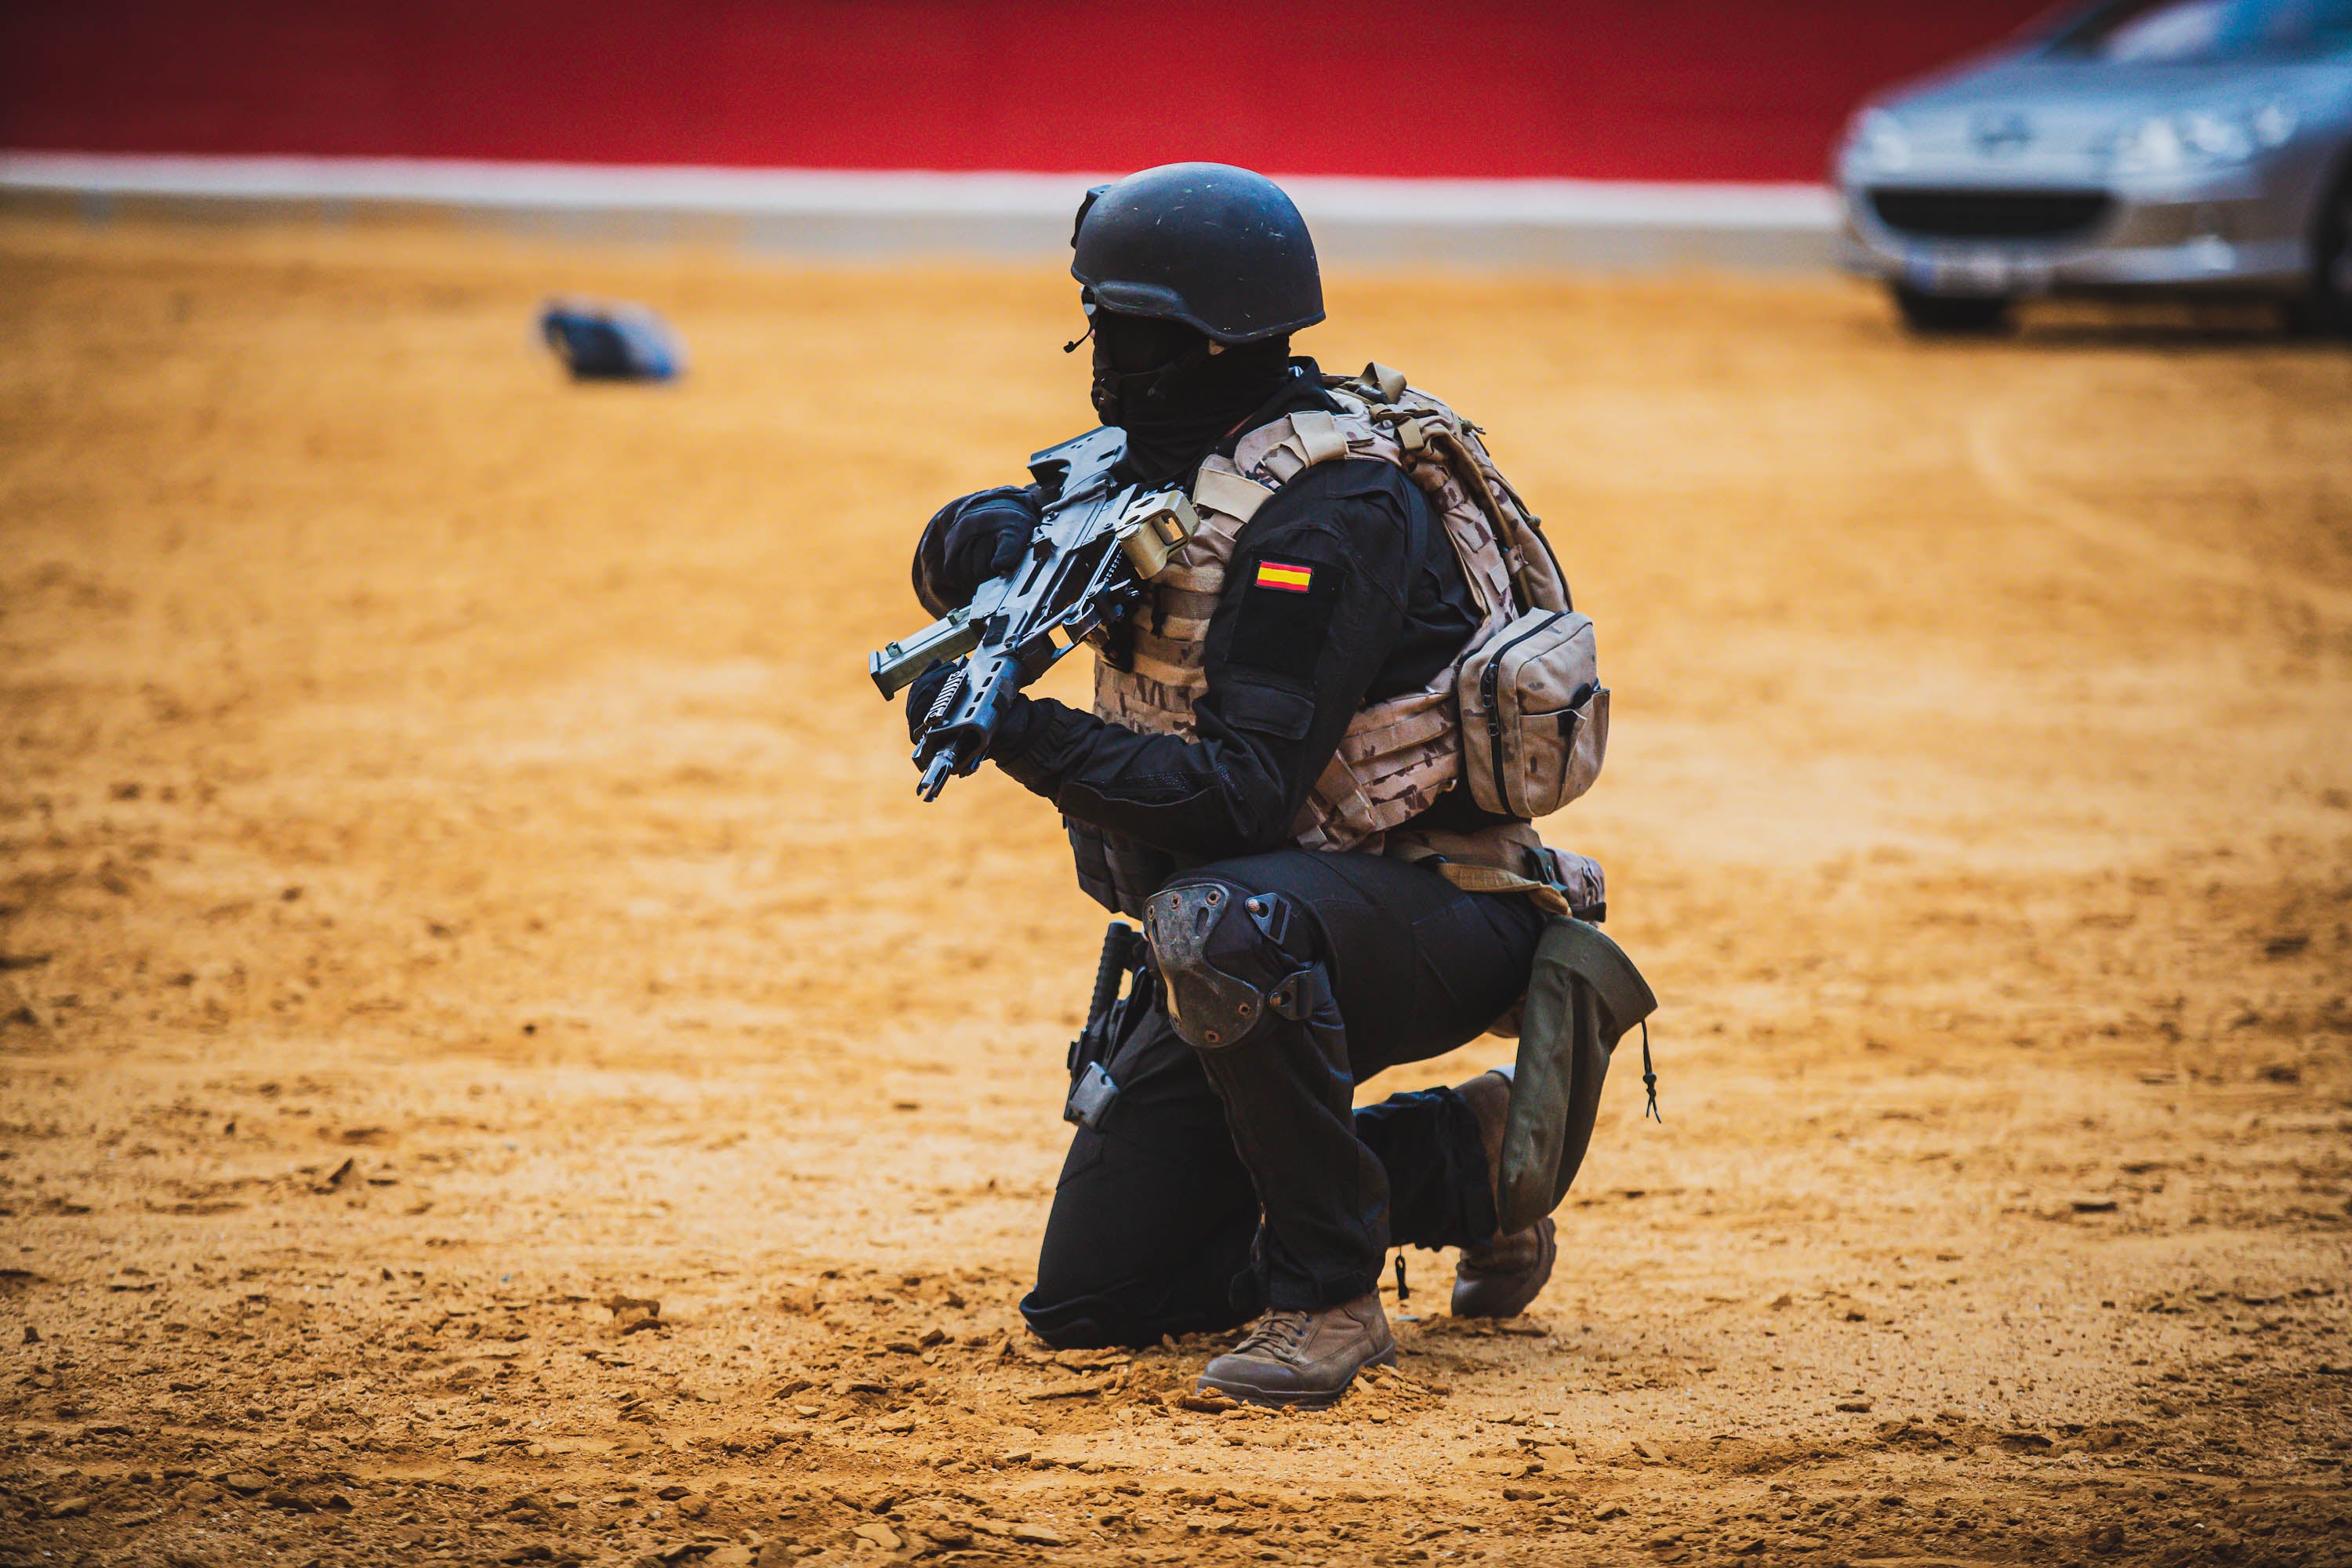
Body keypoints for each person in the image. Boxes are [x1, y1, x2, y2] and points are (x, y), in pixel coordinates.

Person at [902, 162, 1599, 1407]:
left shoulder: (1328, 514)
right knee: (1097, 1302)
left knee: (1217, 921)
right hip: (1270, 921)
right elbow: (956, 539)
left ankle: (1326, 1297)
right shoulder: (1167, 452)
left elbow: (1240, 798)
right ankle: (1471, 1163)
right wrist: (992, 543)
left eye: (1115, 325)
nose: (1098, 351)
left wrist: (1023, 735)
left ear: (1192, 337)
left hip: (1432, 902)